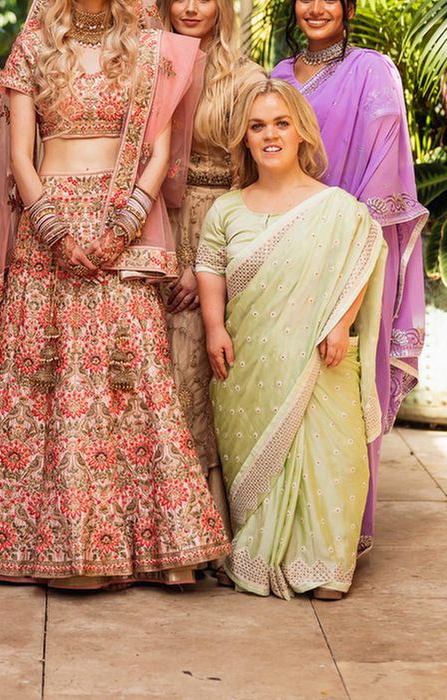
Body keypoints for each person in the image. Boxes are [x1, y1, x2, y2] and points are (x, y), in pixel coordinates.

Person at [0, 0, 231, 589]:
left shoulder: (151, 44)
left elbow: (159, 148)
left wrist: (125, 223)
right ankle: (45, 546)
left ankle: (154, 547)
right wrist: (52, 228)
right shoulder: (33, 45)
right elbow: (21, 156)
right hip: (47, 228)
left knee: (130, 383)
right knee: (46, 385)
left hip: (120, 220)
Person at [196, 78, 387, 600]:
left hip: (321, 357)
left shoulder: (338, 207)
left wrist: (339, 324)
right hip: (249, 360)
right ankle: (259, 554)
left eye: (281, 123)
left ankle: (325, 566)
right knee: (255, 455)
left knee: (332, 455)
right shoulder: (227, 209)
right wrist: (214, 327)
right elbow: (209, 268)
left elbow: (362, 263)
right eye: (258, 126)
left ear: (301, 131)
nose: (270, 135)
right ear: (244, 139)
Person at [271, 0, 428, 555]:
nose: (315, 7)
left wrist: (340, 241)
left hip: (353, 252)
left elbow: (385, 165)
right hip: (285, 252)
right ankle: (286, 530)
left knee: (344, 385)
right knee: (286, 386)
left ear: (349, 7)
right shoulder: (278, 78)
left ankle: (340, 534)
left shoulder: (373, 72)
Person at [156, 0, 264, 580]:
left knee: (194, 375)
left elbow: (251, 179)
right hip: (146, 225)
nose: (191, 6)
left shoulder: (245, 78)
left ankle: (195, 543)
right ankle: (150, 536)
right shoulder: (144, 61)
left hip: (217, 226)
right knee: (148, 378)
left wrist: (206, 265)